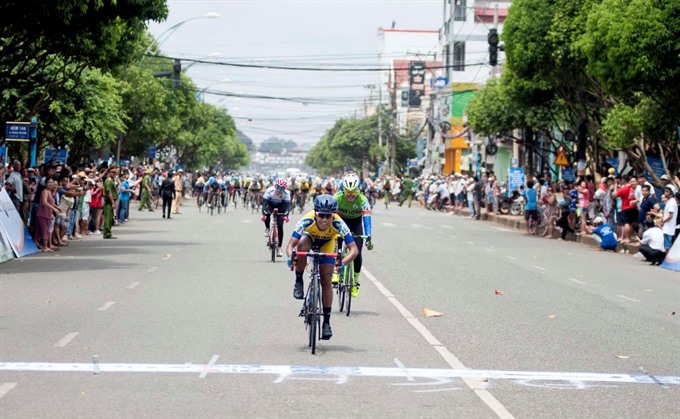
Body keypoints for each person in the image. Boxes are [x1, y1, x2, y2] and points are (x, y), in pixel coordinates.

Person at [285, 195, 359, 341]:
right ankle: (299, 281)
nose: (324, 220)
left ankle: (326, 322)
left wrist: (342, 262)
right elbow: (290, 245)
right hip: (310, 239)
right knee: (301, 245)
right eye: (321, 216)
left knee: (326, 280)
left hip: (328, 243)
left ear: (334, 215)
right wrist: (290, 257)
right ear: (316, 213)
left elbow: (354, 250)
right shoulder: (307, 219)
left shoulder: (339, 224)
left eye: (328, 216)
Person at [333, 174, 373, 298]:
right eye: (347, 192)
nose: (350, 195)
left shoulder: (363, 200)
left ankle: (355, 282)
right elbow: (331, 217)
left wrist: (368, 237)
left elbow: (367, 220)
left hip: (356, 223)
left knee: (357, 252)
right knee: (336, 246)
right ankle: (336, 271)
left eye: (353, 192)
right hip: (341, 221)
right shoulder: (337, 198)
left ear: (358, 191)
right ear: (343, 190)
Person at [261, 178, 291, 257]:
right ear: (275, 186)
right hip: (270, 204)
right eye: (277, 187)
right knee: (266, 214)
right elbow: (264, 203)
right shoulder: (269, 190)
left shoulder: (286, 193)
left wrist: (286, 215)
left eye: (281, 189)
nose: (279, 190)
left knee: (280, 225)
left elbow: (287, 206)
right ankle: (267, 228)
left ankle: (279, 247)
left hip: (281, 206)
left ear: (284, 188)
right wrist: (263, 213)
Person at [659, 184, 678, 251]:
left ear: (671, 193)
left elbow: (670, 216)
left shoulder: (672, 202)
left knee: (668, 246)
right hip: (667, 227)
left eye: (667, 191)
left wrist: (663, 222)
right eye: (665, 191)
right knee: (666, 246)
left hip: (669, 228)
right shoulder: (669, 201)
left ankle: (668, 261)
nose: (665, 193)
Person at [102, 166, 118, 239]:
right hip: (109, 201)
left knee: (110, 218)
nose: (115, 174)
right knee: (108, 218)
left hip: (111, 201)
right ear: (109, 172)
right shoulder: (108, 181)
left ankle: (108, 233)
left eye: (115, 173)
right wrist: (113, 202)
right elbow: (109, 193)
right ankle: (107, 233)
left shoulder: (111, 180)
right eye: (113, 173)